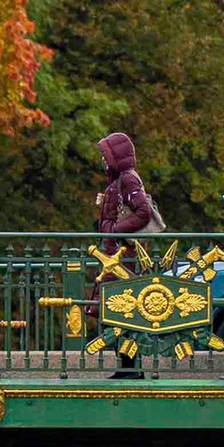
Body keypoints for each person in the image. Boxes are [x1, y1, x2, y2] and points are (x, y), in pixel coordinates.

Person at [91, 129, 162, 375]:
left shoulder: (129, 179)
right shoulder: (117, 181)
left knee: (121, 309)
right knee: (115, 309)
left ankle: (131, 367)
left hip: (123, 257)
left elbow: (143, 211)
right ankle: (127, 366)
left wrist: (114, 230)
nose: (102, 160)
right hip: (115, 254)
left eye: (105, 155)